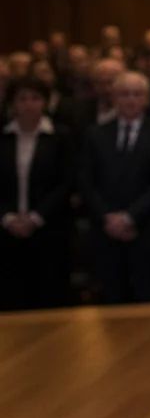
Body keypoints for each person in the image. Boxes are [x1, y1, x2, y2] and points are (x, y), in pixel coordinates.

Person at [79, 72, 150, 303]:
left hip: (147, 231)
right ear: (113, 98)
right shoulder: (95, 134)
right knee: (111, 300)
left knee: (149, 298)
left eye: (137, 94)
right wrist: (108, 217)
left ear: (147, 99)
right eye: (124, 94)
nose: (131, 100)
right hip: (106, 232)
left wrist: (129, 217)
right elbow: (86, 181)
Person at [0, 78, 75, 310]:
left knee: (49, 296)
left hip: (49, 229)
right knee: (12, 297)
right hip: (7, 231)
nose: (29, 104)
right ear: (12, 104)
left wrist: (35, 217)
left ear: (45, 102)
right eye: (22, 99)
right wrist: (8, 218)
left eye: (35, 98)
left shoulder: (61, 136)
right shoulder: (3, 137)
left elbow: (66, 182)